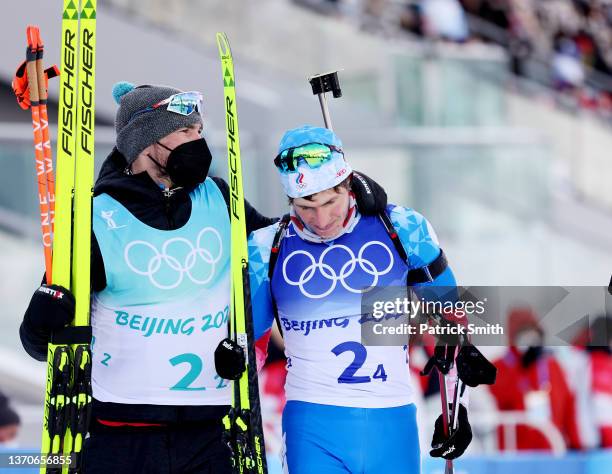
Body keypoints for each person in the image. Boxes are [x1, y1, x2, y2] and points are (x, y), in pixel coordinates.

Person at [19, 84, 386, 474]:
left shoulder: (220, 199)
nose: (198, 141)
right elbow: (40, 344)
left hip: (209, 434)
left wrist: (343, 191)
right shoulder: (97, 218)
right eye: (185, 132)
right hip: (121, 436)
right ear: (147, 141)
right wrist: (46, 316)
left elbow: (294, 247)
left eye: (198, 130)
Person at [247, 125, 472, 473]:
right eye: (306, 206)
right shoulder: (266, 248)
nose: (321, 219)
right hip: (312, 425)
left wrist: (457, 409)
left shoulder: (403, 228)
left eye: (329, 202)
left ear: (348, 184)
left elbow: (452, 320)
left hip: (392, 421)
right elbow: (254, 348)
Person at [489, 307, 583, 451]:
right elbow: (501, 398)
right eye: (523, 335)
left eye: (533, 334)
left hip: (552, 449)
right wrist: (522, 367)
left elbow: (568, 405)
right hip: (515, 454)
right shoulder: (499, 367)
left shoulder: (552, 366)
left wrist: (576, 444)